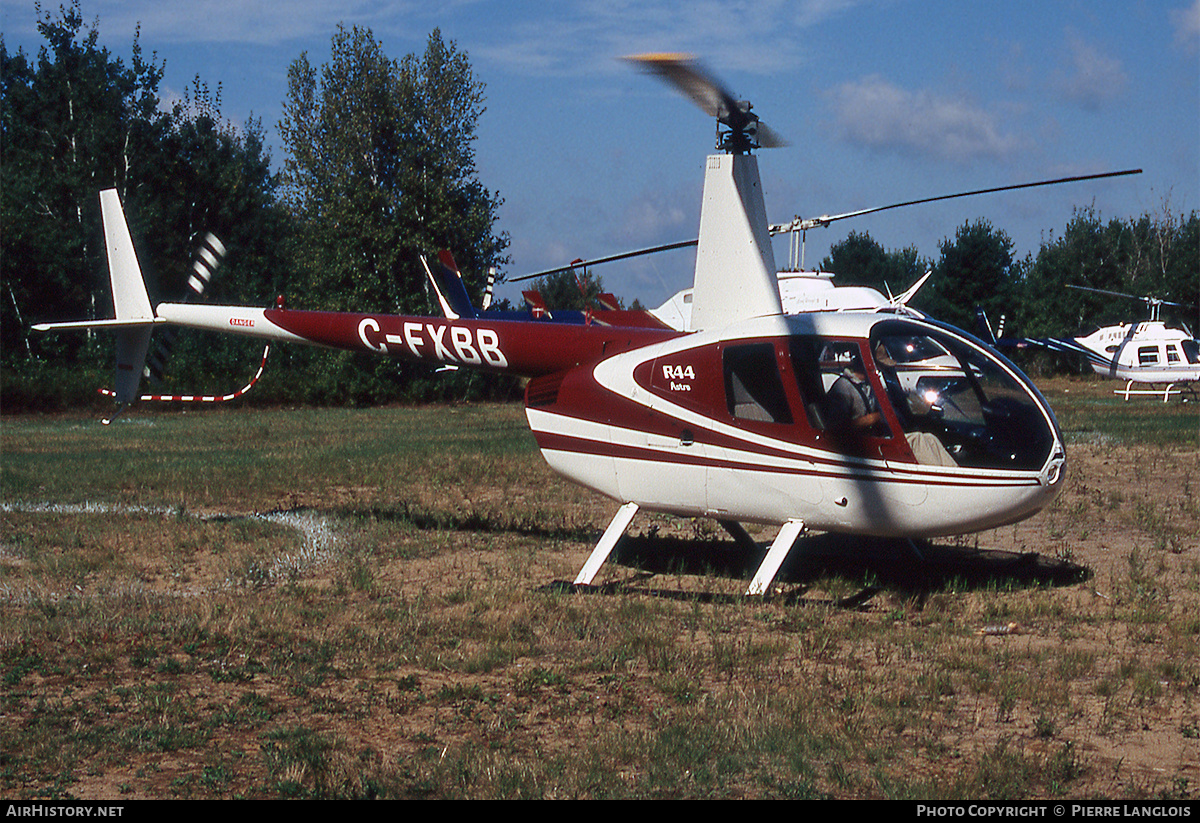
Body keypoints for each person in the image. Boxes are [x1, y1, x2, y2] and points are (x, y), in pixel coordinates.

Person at [826, 352, 886, 434]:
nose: (878, 374)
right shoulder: (843, 388)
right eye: (877, 369)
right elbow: (838, 427)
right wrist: (873, 418)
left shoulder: (868, 385)